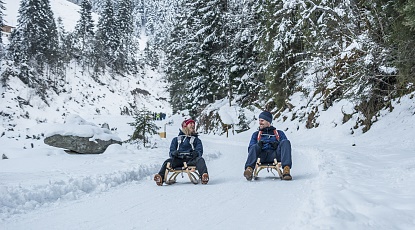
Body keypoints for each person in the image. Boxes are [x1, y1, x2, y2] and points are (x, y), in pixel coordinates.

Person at [154, 119, 209, 185]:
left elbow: (199, 151)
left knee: (200, 160)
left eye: (193, 124)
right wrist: (174, 153)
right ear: (185, 126)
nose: (193, 125)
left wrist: (196, 153)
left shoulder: (196, 140)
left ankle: (204, 176)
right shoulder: (176, 139)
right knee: (168, 162)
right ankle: (160, 177)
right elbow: (171, 151)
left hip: (191, 160)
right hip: (178, 160)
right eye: (190, 124)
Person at [243, 111, 292, 181]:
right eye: (259, 120)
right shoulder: (256, 134)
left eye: (262, 120)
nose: (260, 122)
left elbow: (285, 147)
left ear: (268, 122)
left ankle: (286, 170)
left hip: (275, 155)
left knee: (286, 142)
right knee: (253, 146)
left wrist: (277, 145)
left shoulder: (279, 133)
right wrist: (259, 145)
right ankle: (249, 170)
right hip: (261, 156)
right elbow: (250, 149)